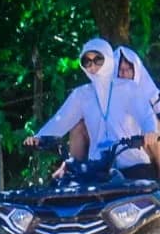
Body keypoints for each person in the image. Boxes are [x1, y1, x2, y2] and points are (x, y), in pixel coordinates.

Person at [26, 37, 160, 179]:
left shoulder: (128, 88)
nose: (93, 66)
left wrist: (150, 131)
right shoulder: (81, 94)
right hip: (97, 167)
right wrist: (40, 137)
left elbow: (145, 115)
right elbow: (61, 119)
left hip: (132, 165)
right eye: (87, 61)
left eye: (98, 60)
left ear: (108, 59)